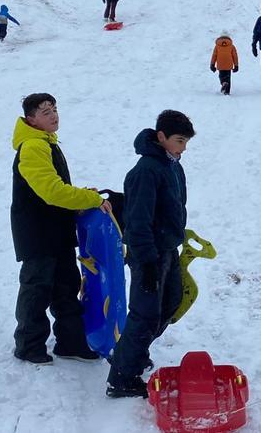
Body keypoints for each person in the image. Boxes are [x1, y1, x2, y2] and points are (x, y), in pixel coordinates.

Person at [10, 93, 112, 365]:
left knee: (65, 287)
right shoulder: (32, 147)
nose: (54, 115)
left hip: (56, 231)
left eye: (54, 109)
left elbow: (57, 189)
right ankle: (28, 345)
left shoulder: (47, 143)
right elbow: (51, 192)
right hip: (37, 234)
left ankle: (71, 343)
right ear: (31, 119)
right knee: (37, 290)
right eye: (45, 112)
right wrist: (90, 200)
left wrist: (79, 198)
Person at [107, 110, 196, 398]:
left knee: (170, 303)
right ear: (161, 137)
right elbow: (138, 221)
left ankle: (132, 352)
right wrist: (146, 263)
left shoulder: (172, 165)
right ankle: (121, 378)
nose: (183, 148)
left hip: (167, 248)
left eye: (185, 142)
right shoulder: (146, 170)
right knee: (144, 314)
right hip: (149, 254)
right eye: (179, 141)